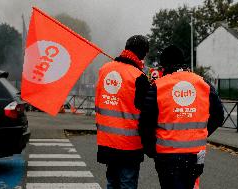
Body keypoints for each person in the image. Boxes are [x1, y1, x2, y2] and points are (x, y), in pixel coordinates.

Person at [139, 45, 224, 189]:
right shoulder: (203, 83)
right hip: (195, 155)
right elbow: (219, 115)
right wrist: (201, 134)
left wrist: (151, 150)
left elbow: (145, 124)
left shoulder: (159, 86)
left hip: (167, 156)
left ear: (164, 65)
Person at [95, 35, 150, 189]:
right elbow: (146, 113)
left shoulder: (104, 70)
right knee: (127, 183)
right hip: (129, 145)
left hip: (106, 140)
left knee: (112, 182)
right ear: (143, 54)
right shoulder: (138, 77)